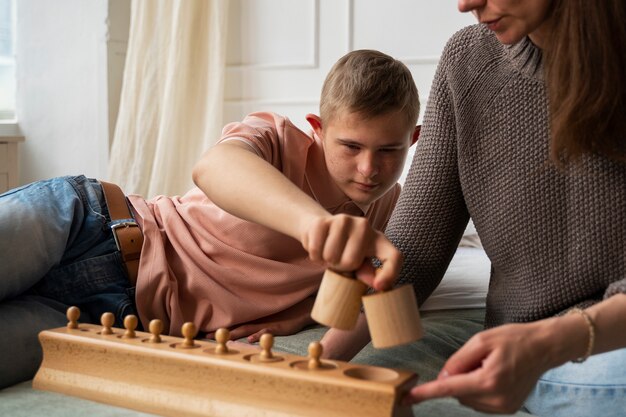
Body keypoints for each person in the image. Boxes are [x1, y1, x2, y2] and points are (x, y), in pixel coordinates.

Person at [0, 49, 420, 389]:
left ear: (413, 140)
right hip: (87, 222)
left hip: (109, 319)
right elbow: (215, 167)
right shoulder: (273, 136)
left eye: (389, 151)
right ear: (318, 129)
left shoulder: (393, 211)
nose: (369, 169)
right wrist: (317, 225)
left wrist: (308, 313)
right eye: (351, 146)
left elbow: (381, 304)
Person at [321, 1, 626, 416]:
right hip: (520, 352)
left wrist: (545, 344)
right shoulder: (468, 60)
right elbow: (409, 255)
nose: (466, 3)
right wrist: (315, 364)